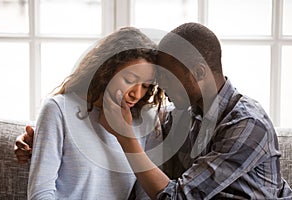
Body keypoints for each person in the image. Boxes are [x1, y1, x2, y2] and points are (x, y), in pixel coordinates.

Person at [16, 22, 292, 199]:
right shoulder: (178, 117)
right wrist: (37, 140)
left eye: (158, 81)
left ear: (197, 73)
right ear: (106, 71)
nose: (152, 90)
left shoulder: (246, 124)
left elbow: (175, 197)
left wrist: (126, 137)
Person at [21, 26, 167, 199]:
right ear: (105, 70)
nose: (136, 94)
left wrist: (125, 135)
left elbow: (149, 196)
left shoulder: (148, 120)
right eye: (129, 80)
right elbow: (40, 194)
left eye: (146, 86)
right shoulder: (58, 109)